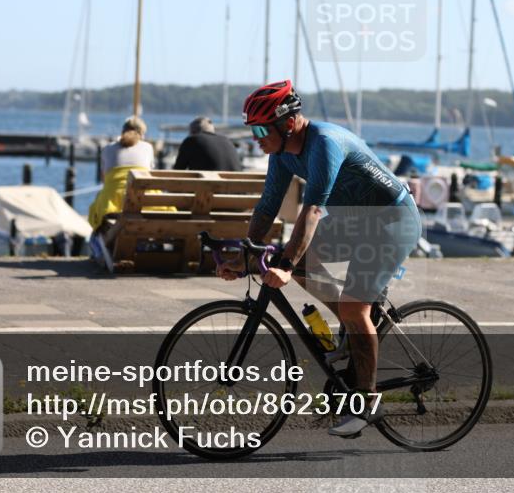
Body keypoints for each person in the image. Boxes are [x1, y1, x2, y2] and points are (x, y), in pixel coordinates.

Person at [217, 79, 422, 437]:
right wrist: (245, 253)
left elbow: (312, 210)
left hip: (392, 221)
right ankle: (351, 334)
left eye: (263, 128)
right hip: (357, 221)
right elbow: (267, 208)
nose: (257, 138)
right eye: (253, 130)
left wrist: (283, 265)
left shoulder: (324, 143)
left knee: (352, 307)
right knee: (298, 264)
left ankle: (368, 401)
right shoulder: (281, 156)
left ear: (289, 122)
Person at [87, 116, 156, 230]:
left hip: (113, 202)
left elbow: (104, 179)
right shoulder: (148, 147)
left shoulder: (107, 149)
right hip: (144, 201)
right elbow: (150, 173)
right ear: (142, 135)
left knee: (98, 203)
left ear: (122, 132)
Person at [173, 116, 242, 171]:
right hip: (236, 187)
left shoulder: (191, 140)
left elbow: (177, 171)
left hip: (208, 187)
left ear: (192, 132)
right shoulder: (227, 141)